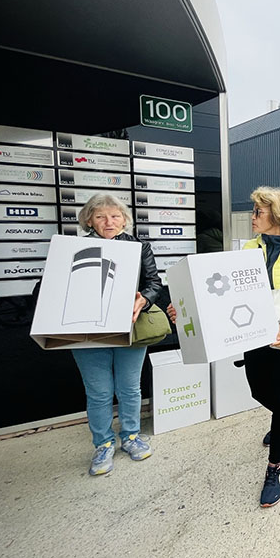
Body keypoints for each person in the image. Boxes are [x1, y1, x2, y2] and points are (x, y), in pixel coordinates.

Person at [168, 187, 280, 508]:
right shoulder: (250, 248)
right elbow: (225, 295)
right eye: (253, 211)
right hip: (255, 333)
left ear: (277, 214)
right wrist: (186, 309)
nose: (252, 217)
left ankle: (274, 468)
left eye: (257, 212)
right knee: (257, 391)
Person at [70, 193, 163, 476]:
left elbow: (154, 283)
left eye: (115, 216)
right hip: (87, 330)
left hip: (129, 328)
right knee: (98, 392)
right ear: (89, 221)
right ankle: (103, 444)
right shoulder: (73, 248)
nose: (108, 222)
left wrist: (143, 300)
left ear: (125, 219)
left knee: (129, 388)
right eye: (100, 216)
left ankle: (132, 437)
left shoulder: (139, 247)